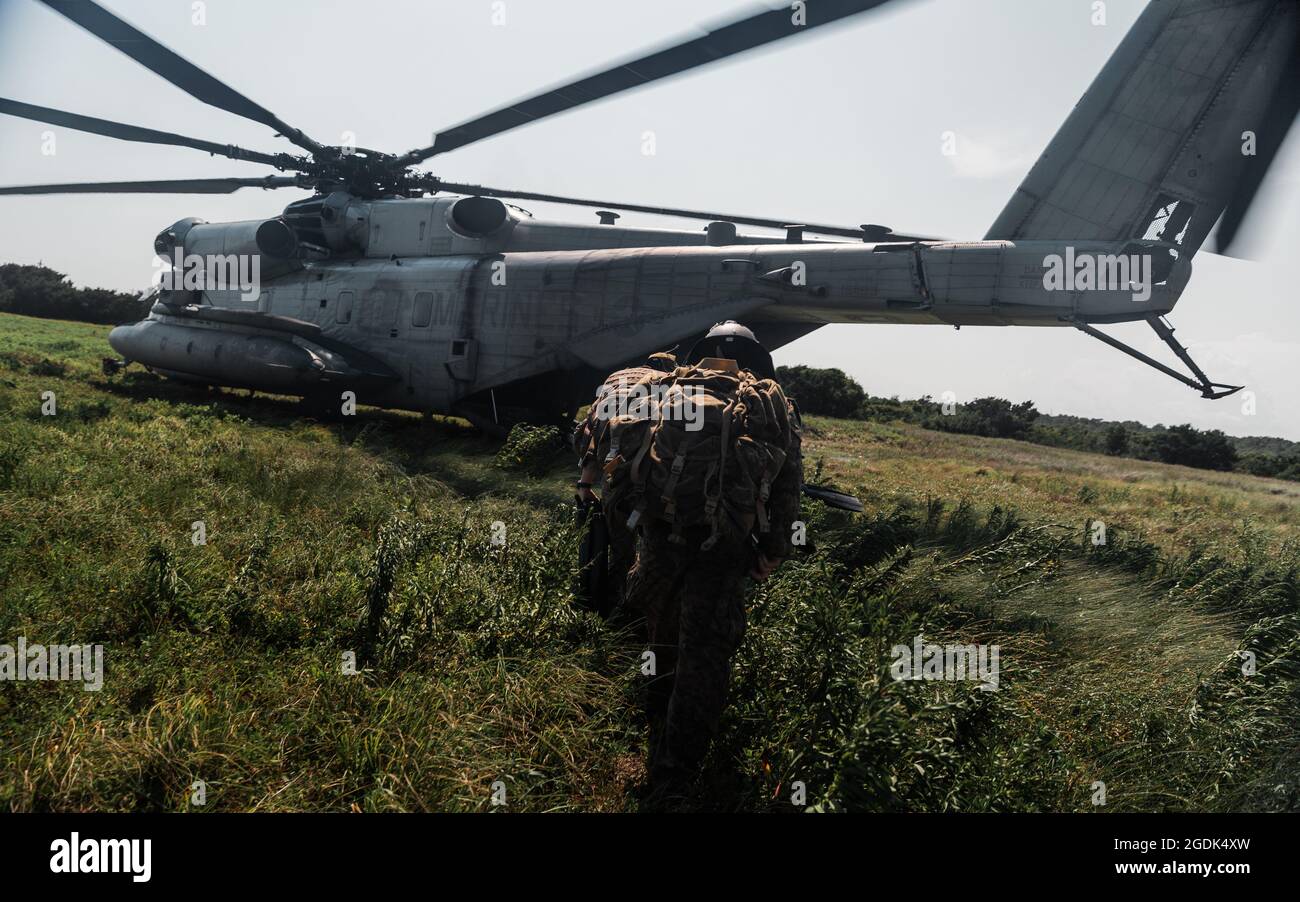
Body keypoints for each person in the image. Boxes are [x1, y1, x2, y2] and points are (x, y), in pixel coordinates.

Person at [613, 322, 802, 805]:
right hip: (723, 548)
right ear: (754, 355)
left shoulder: (665, 386)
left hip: (662, 535)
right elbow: (786, 485)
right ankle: (674, 776)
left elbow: (635, 454)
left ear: (705, 351)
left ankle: (653, 717)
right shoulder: (769, 400)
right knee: (705, 654)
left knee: (659, 630)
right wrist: (773, 550)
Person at [573, 351, 678, 618]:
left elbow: (592, 428)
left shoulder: (615, 379)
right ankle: (637, 613)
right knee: (654, 548)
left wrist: (585, 485)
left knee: (621, 546)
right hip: (653, 475)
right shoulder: (670, 382)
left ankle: (608, 608)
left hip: (614, 471)